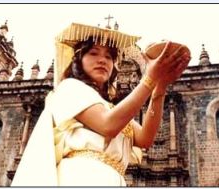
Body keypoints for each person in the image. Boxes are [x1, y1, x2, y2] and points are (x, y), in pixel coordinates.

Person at [11, 22, 191, 186]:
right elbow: (107, 125)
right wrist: (150, 79)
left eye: (109, 57)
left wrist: (160, 88)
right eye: (93, 53)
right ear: (78, 60)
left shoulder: (109, 107)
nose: (103, 60)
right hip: (81, 177)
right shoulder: (69, 88)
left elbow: (145, 138)